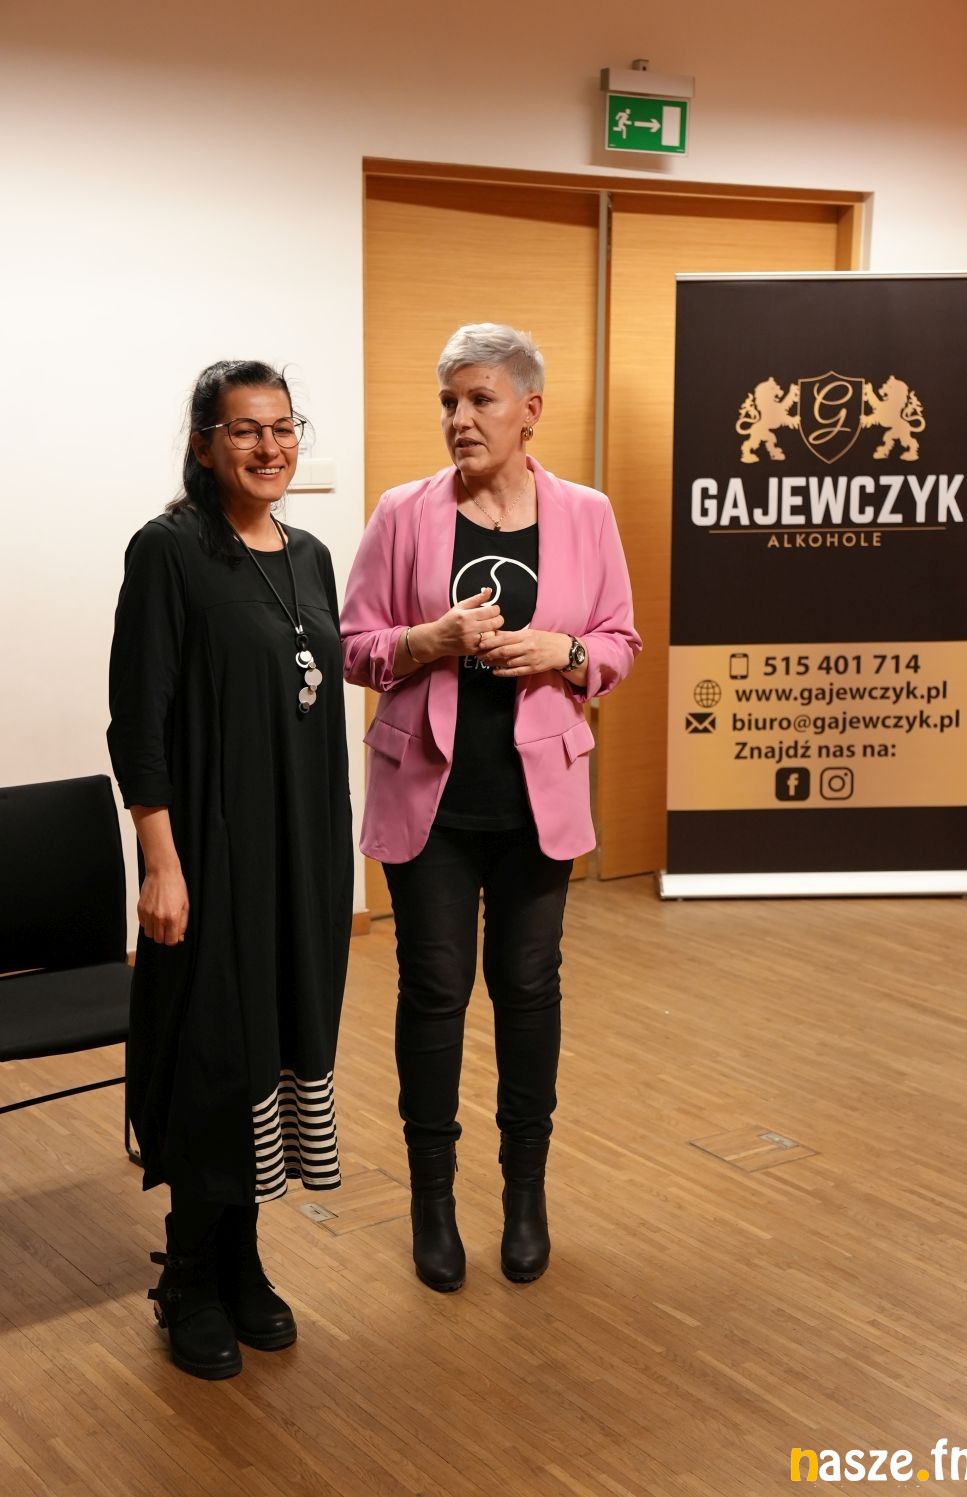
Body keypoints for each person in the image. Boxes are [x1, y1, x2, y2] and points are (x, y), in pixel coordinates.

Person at [340, 323, 640, 1292]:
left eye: (480, 399)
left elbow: (620, 639)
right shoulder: (403, 511)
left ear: (529, 410)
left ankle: (524, 1195)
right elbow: (353, 645)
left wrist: (568, 653)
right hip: (429, 796)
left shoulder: (587, 513)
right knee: (433, 992)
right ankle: (432, 1202)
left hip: (534, 800)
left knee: (529, 990)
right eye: (448, 402)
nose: (460, 419)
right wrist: (425, 641)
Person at [108, 360, 353, 1379]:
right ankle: (189, 1277)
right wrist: (160, 866)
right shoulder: (168, 551)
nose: (268, 446)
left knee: (277, 1049)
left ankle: (243, 1260)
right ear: (205, 444)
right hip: (210, 854)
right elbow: (139, 724)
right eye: (244, 429)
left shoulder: (311, 556)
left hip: (301, 851)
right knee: (215, 1056)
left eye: (282, 427)